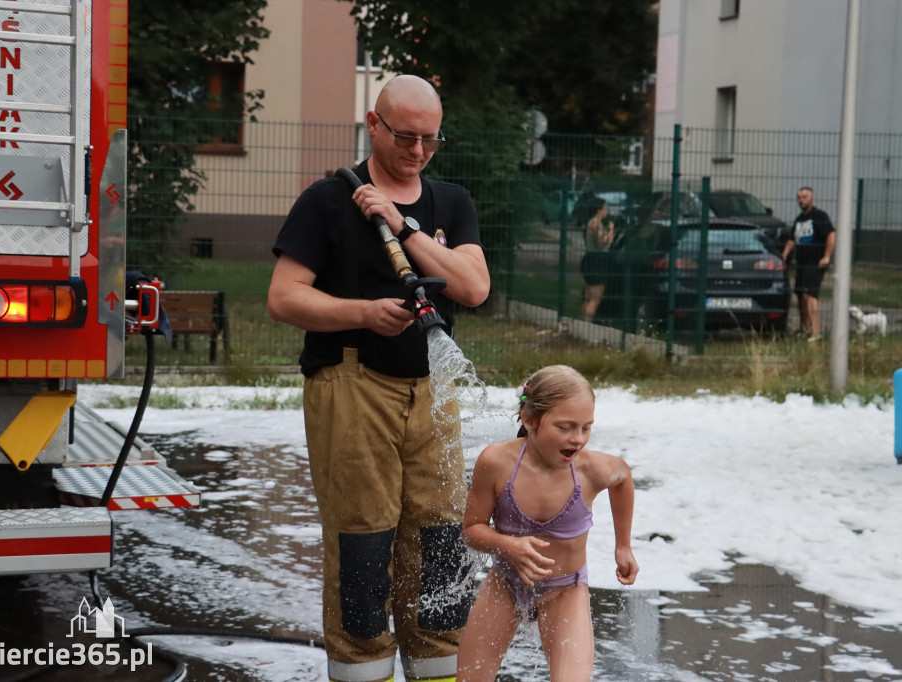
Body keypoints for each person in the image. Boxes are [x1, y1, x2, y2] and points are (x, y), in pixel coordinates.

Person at [267, 74, 491, 682]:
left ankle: (438, 669)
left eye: (429, 139)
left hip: (432, 389)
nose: (417, 151)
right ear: (373, 124)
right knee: (364, 544)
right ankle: (364, 668)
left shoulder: (450, 204)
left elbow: (472, 288)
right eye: (404, 136)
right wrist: (364, 314)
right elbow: (284, 298)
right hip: (352, 385)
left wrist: (404, 223)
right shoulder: (327, 200)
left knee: (441, 542)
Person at [456, 365, 638, 682]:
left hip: (565, 591)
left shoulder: (591, 469)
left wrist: (623, 546)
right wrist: (508, 545)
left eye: (586, 428)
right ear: (529, 420)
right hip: (505, 584)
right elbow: (471, 530)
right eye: (566, 427)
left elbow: (622, 478)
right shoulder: (497, 462)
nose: (578, 439)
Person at [781, 187, 836, 342]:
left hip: (815, 262)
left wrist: (826, 256)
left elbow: (831, 234)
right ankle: (803, 328)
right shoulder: (799, 219)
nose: (801, 200)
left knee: (810, 294)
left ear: (812, 198)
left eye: (805, 196)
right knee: (800, 295)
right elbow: (792, 239)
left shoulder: (819, 216)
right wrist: (785, 254)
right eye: (799, 197)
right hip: (802, 263)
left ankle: (816, 332)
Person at [580, 196, 616, 322]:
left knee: (589, 297)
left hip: (591, 259)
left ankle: (583, 322)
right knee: (594, 298)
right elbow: (600, 242)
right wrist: (611, 231)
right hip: (597, 261)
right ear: (598, 209)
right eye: (605, 208)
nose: (607, 211)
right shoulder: (596, 223)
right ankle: (586, 325)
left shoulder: (592, 222)